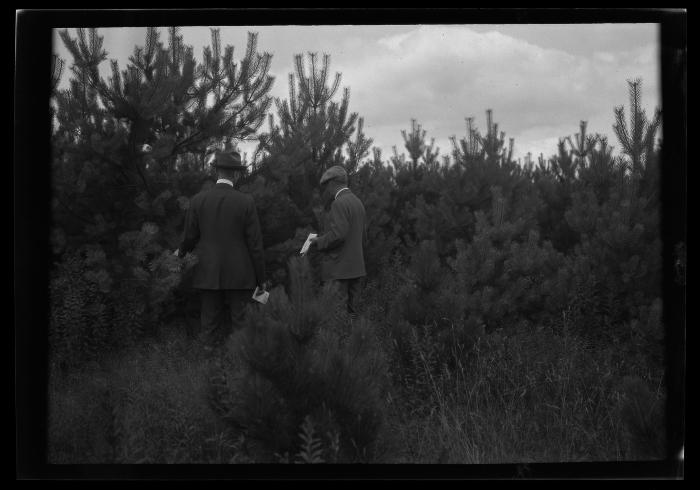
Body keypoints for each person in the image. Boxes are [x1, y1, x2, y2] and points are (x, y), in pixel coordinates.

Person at [177, 149, 266, 346]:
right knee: (241, 324)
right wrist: (261, 279)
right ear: (236, 174)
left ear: (217, 172)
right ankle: (241, 366)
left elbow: (189, 238)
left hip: (207, 271)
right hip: (240, 274)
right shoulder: (246, 201)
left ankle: (209, 366)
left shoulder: (198, 200)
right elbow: (255, 245)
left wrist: (179, 255)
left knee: (208, 323)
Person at [309, 165, 367, 319]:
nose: (327, 190)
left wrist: (318, 241)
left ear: (333, 183)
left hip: (339, 271)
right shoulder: (357, 202)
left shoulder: (339, 203)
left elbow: (338, 235)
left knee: (337, 319)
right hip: (356, 268)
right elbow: (360, 235)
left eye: (327, 185)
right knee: (354, 317)